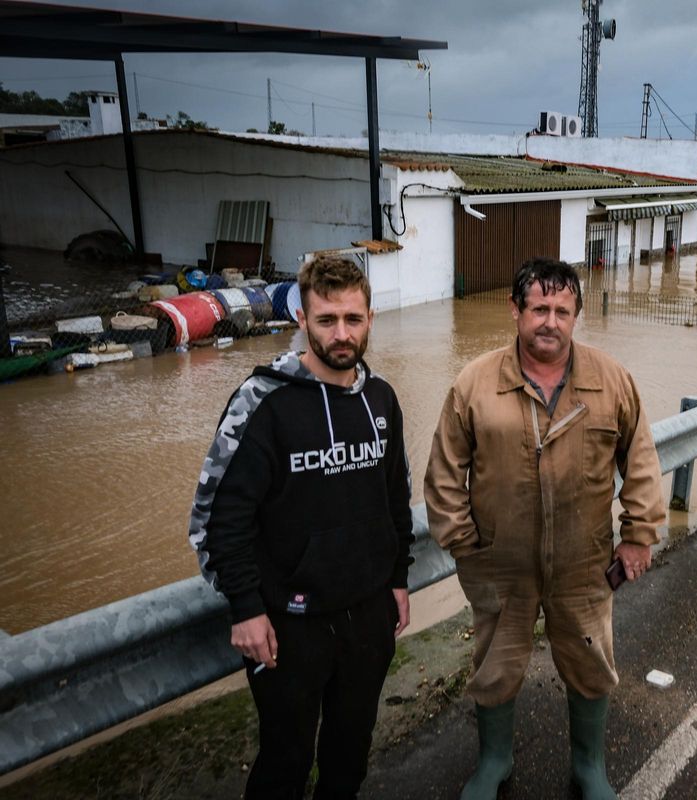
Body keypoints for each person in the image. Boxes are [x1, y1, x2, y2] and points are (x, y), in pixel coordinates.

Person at [424, 257, 666, 800]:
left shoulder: (611, 381)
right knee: (495, 664)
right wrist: (465, 545)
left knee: (590, 663)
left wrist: (638, 532)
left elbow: (643, 460)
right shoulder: (475, 384)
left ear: (577, 314)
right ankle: (494, 761)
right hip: (499, 564)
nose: (549, 321)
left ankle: (589, 767)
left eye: (561, 310)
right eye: (538, 308)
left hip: (584, 565)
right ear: (515, 311)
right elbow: (443, 474)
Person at [187, 255, 414, 799]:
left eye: (352, 319)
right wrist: (245, 606)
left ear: (370, 319)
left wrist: (399, 579)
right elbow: (219, 517)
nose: (341, 334)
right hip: (288, 627)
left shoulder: (380, 398)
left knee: (349, 755)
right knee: (285, 762)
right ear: (302, 321)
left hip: (367, 617)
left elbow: (396, 498)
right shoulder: (261, 401)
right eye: (327, 320)